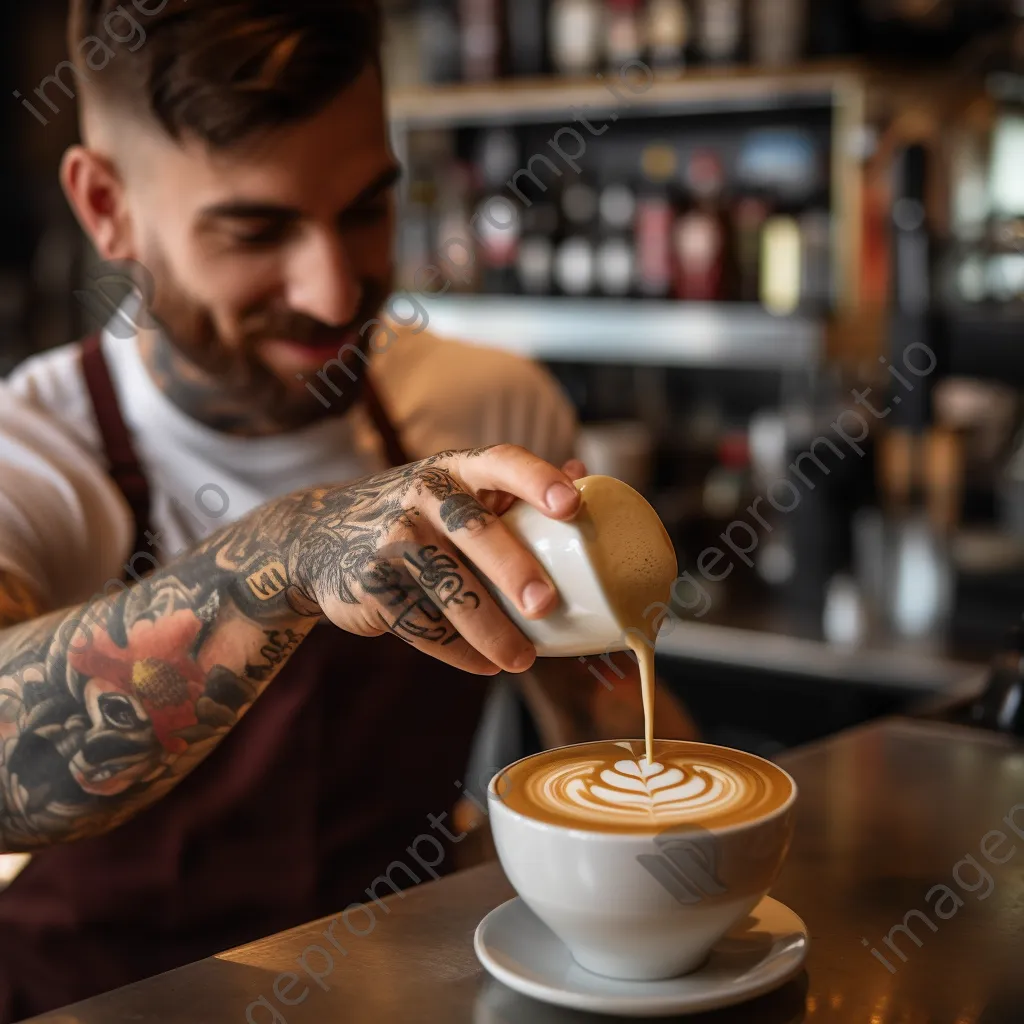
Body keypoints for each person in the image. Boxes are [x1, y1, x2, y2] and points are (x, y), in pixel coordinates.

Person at [0, 1, 693, 1017]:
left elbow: (601, 719)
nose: (333, 293)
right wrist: (284, 553)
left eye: (368, 210)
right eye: (256, 229)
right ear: (107, 205)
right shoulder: (31, 453)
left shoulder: (489, 413)